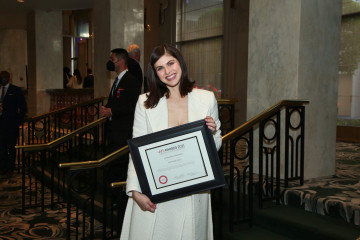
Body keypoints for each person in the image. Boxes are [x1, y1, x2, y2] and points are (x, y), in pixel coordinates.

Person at [120, 44, 222, 240]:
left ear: (180, 62)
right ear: (155, 73)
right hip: (155, 190)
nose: (168, 71)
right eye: (160, 68)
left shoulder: (206, 99)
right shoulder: (145, 102)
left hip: (193, 190)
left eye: (170, 63)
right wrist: (134, 190)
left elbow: (216, 143)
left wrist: (210, 135)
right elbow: (136, 151)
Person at [101, 48, 142, 154]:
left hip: (123, 131)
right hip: (113, 130)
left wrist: (112, 111)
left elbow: (132, 106)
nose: (110, 62)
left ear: (121, 61)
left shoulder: (131, 80)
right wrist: (106, 108)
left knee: (119, 163)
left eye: (112, 59)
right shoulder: (118, 80)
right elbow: (115, 101)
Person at [0, 70, 27, 175]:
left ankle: (10, 168)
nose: (2, 80)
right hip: (0, 123)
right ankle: (3, 167)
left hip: (11, 124)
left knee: (11, 147)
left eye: (3, 78)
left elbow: (23, 108)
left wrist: (17, 122)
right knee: (1, 147)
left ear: (8, 78)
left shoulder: (15, 90)